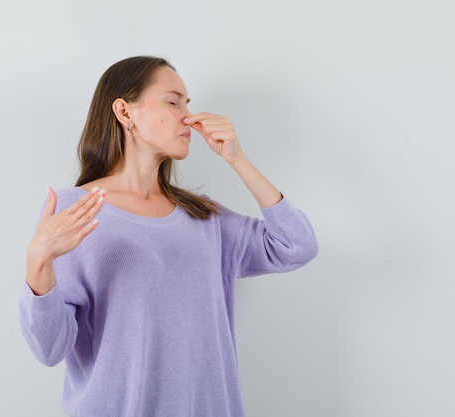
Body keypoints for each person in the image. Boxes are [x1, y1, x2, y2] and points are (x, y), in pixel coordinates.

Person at [19, 55, 319, 417]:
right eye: (173, 101)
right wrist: (38, 265)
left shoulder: (203, 216)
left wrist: (238, 160)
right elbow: (50, 349)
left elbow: (296, 246)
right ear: (124, 112)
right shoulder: (76, 211)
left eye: (187, 104)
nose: (188, 117)